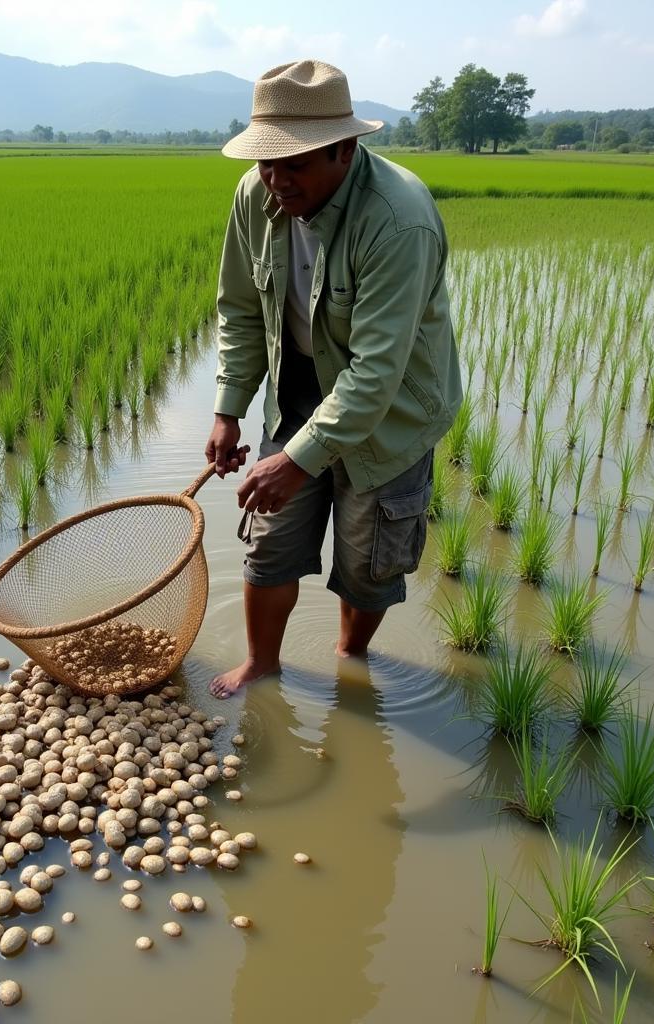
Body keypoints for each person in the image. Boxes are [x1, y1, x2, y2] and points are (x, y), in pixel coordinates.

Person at [206, 59, 462, 698]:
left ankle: (351, 658)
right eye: (267, 160)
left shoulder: (396, 218)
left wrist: (297, 462)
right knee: (268, 547)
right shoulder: (255, 196)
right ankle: (262, 663)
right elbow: (240, 308)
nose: (276, 179)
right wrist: (229, 406)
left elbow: (376, 374)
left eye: (293, 164)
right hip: (298, 393)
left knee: (366, 564)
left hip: (393, 414)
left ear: (344, 150)